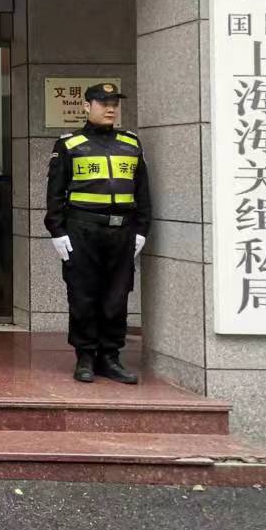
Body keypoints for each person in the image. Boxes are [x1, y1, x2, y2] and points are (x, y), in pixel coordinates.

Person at [44, 83, 151, 384]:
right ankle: (86, 357)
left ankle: (110, 357)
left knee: (117, 296)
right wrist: (57, 230)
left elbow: (143, 191)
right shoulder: (69, 145)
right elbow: (55, 193)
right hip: (82, 230)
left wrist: (141, 229)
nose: (111, 109)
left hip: (122, 231)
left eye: (114, 103)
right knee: (83, 295)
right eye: (104, 103)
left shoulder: (131, 143)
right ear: (87, 106)